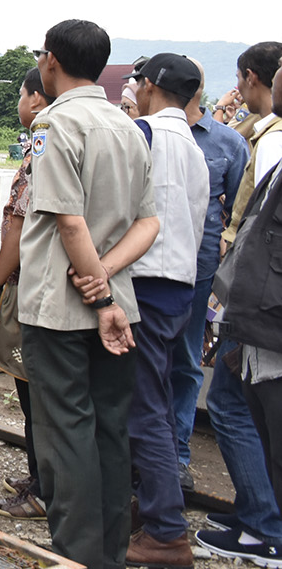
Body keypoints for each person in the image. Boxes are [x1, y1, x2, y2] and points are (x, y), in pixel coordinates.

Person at [20, 19, 158, 569]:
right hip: (119, 304)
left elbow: (68, 220)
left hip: (63, 306)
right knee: (109, 431)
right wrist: (107, 278)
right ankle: (109, 554)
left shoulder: (55, 123)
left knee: (65, 435)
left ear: (51, 61)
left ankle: (76, 556)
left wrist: (97, 294)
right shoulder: (128, 126)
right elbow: (149, 223)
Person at [124, 54, 208, 568]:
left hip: (146, 284)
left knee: (144, 409)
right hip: (180, 285)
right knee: (159, 398)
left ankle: (166, 531)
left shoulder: (145, 134)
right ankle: (151, 506)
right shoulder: (195, 146)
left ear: (150, 85)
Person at [203, 63, 282, 567]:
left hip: (260, 306)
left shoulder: (273, 140)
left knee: (234, 403)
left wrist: (228, 307)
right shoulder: (258, 135)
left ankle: (264, 525)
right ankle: (258, 513)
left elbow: (260, 235)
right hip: (258, 300)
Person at [171, 60, 248, 488]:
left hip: (198, 272)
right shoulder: (145, 135)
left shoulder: (228, 143)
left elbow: (239, 213)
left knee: (185, 361)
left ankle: (178, 456)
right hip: (145, 267)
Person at [0, 67, 51, 520]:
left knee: (34, 392)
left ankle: (45, 488)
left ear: (36, 99)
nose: (21, 103)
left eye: (22, 95)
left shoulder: (41, 148)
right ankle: (42, 477)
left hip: (32, 284)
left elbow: (19, 229)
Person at [223, 43, 282, 250]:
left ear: (250, 77)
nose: (238, 87)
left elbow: (266, 215)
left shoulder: (273, 139)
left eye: (238, 77)